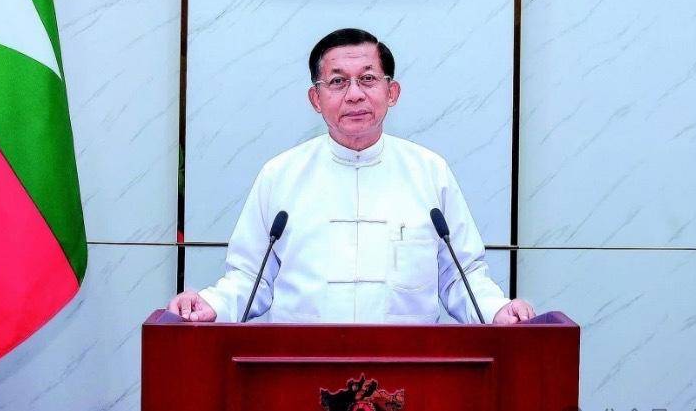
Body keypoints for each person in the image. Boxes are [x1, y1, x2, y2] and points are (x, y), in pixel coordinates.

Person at [169, 28, 535, 324]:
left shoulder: (429, 171)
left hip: (407, 368)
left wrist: (496, 310)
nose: (355, 94)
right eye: (338, 81)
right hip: (301, 366)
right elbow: (251, 277)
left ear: (391, 92)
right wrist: (213, 304)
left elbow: (460, 275)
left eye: (368, 79)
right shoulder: (280, 174)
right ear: (316, 99)